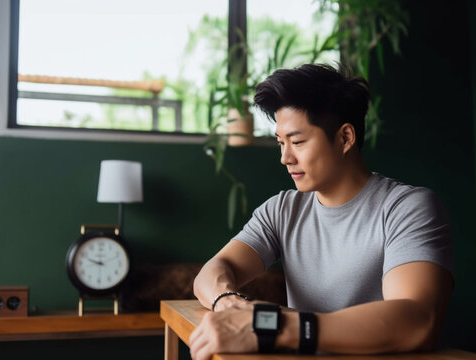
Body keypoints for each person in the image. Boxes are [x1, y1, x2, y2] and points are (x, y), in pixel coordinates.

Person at [189, 63, 454, 360]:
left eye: (297, 142)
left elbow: (417, 321)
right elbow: (211, 272)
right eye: (281, 143)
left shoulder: (407, 208)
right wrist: (228, 302)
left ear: (345, 138)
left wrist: (275, 327)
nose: (285, 158)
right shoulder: (282, 210)